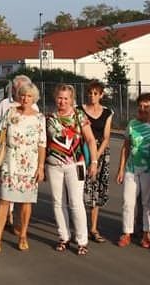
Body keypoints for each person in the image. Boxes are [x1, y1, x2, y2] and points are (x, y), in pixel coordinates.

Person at [0, 82, 46, 253]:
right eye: (22, 95)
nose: (25, 98)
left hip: (29, 165)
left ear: (34, 98)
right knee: (4, 200)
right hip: (10, 162)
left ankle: (23, 235)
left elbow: (41, 144)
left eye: (29, 96)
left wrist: (40, 166)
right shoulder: (10, 113)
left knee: (26, 202)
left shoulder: (39, 118)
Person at [44, 84, 98, 256]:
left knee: (75, 202)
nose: (62, 101)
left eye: (66, 98)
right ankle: (64, 236)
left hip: (76, 165)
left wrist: (94, 162)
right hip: (54, 165)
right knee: (58, 202)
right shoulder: (49, 118)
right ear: (55, 98)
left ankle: (82, 240)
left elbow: (90, 139)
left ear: (72, 100)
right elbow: (44, 143)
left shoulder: (79, 115)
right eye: (60, 97)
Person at [116, 93, 150, 249]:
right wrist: (121, 169)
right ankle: (127, 232)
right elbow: (126, 147)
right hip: (131, 169)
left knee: (148, 202)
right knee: (128, 202)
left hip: (149, 170)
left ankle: (147, 233)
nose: (142, 109)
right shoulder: (132, 124)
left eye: (146, 106)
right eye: (140, 106)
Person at [82, 80, 113, 243]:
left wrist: (97, 157)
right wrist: (88, 156)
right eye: (90, 93)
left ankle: (93, 228)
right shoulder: (80, 110)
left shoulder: (107, 112)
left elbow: (107, 137)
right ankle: (80, 227)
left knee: (96, 190)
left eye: (96, 93)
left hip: (100, 152)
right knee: (80, 190)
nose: (92, 96)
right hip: (83, 151)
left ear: (101, 95)